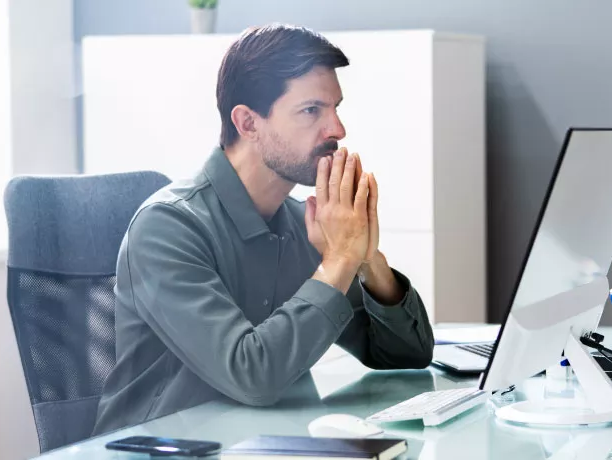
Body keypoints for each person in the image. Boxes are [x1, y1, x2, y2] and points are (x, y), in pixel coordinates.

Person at [93, 24, 434, 435]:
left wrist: (367, 261)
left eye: (335, 108)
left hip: (270, 443)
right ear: (248, 123)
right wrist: (339, 260)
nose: (337, 129)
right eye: (312, 111)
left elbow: (406, 353)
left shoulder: (304, 226)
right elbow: (252, 375)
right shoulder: (167, 228)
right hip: (171, 448)